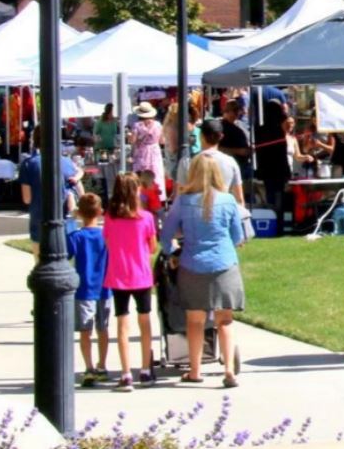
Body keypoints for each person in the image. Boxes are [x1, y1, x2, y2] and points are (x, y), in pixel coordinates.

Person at [161, 153, 245, 388]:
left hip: (192, 264)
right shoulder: (228, 200)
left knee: (195, 321)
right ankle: (229, 370)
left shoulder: (183, 201)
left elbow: (166, 235)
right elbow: (237, 236)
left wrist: (172, 252)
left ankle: (195, 370)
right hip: (224, 264)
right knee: (225, 320)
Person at [102, 172, 157, 391]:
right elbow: (152, 247)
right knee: (145, 321)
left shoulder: (110, 217)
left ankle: (126, 373)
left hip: (118, 274)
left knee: (122, 323)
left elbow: (108, 242)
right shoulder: (146, 218)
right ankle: (145, 370)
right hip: (141, 274)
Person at [67, 193, 111, 387]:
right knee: (103, 328)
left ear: (79, 212)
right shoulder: (106, 235)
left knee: (85, 330)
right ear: (100, 212)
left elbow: (65, 256)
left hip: (84, 289)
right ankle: (102, 365)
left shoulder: (75, 237)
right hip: (105, 287)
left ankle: (89, 367)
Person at [20, 126, 82, 261]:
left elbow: (27, 198)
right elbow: (79, 190)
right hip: (66, 224)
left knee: (41, 265)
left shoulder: (28, 164)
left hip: (39, 223)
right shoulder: (67, 162)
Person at [177, 118, 244, 205]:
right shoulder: (231, 162)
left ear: (201, 136)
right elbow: (239, 199)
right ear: (221, 136)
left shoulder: (186, 162)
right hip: (222, 210)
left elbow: (180, 194)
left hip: (194, 210)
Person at [129, 102, 165, 200]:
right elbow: (162, 141)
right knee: (156, 174)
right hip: (154, 151)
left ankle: (142, 197)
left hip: (142, 151)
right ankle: (157, 197)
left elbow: (132, 141)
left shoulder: (137, 125)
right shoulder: (158, 124)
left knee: (141, 174)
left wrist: (129, 136)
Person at [219, 99, 251, 183]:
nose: (237, 113)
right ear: (227, 111)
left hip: (239, 164)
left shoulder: (238, 127)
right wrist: (238, 151)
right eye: (235, 110)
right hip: (232, 165)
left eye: (238, 110)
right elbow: (217, 148)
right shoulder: (221, 128)